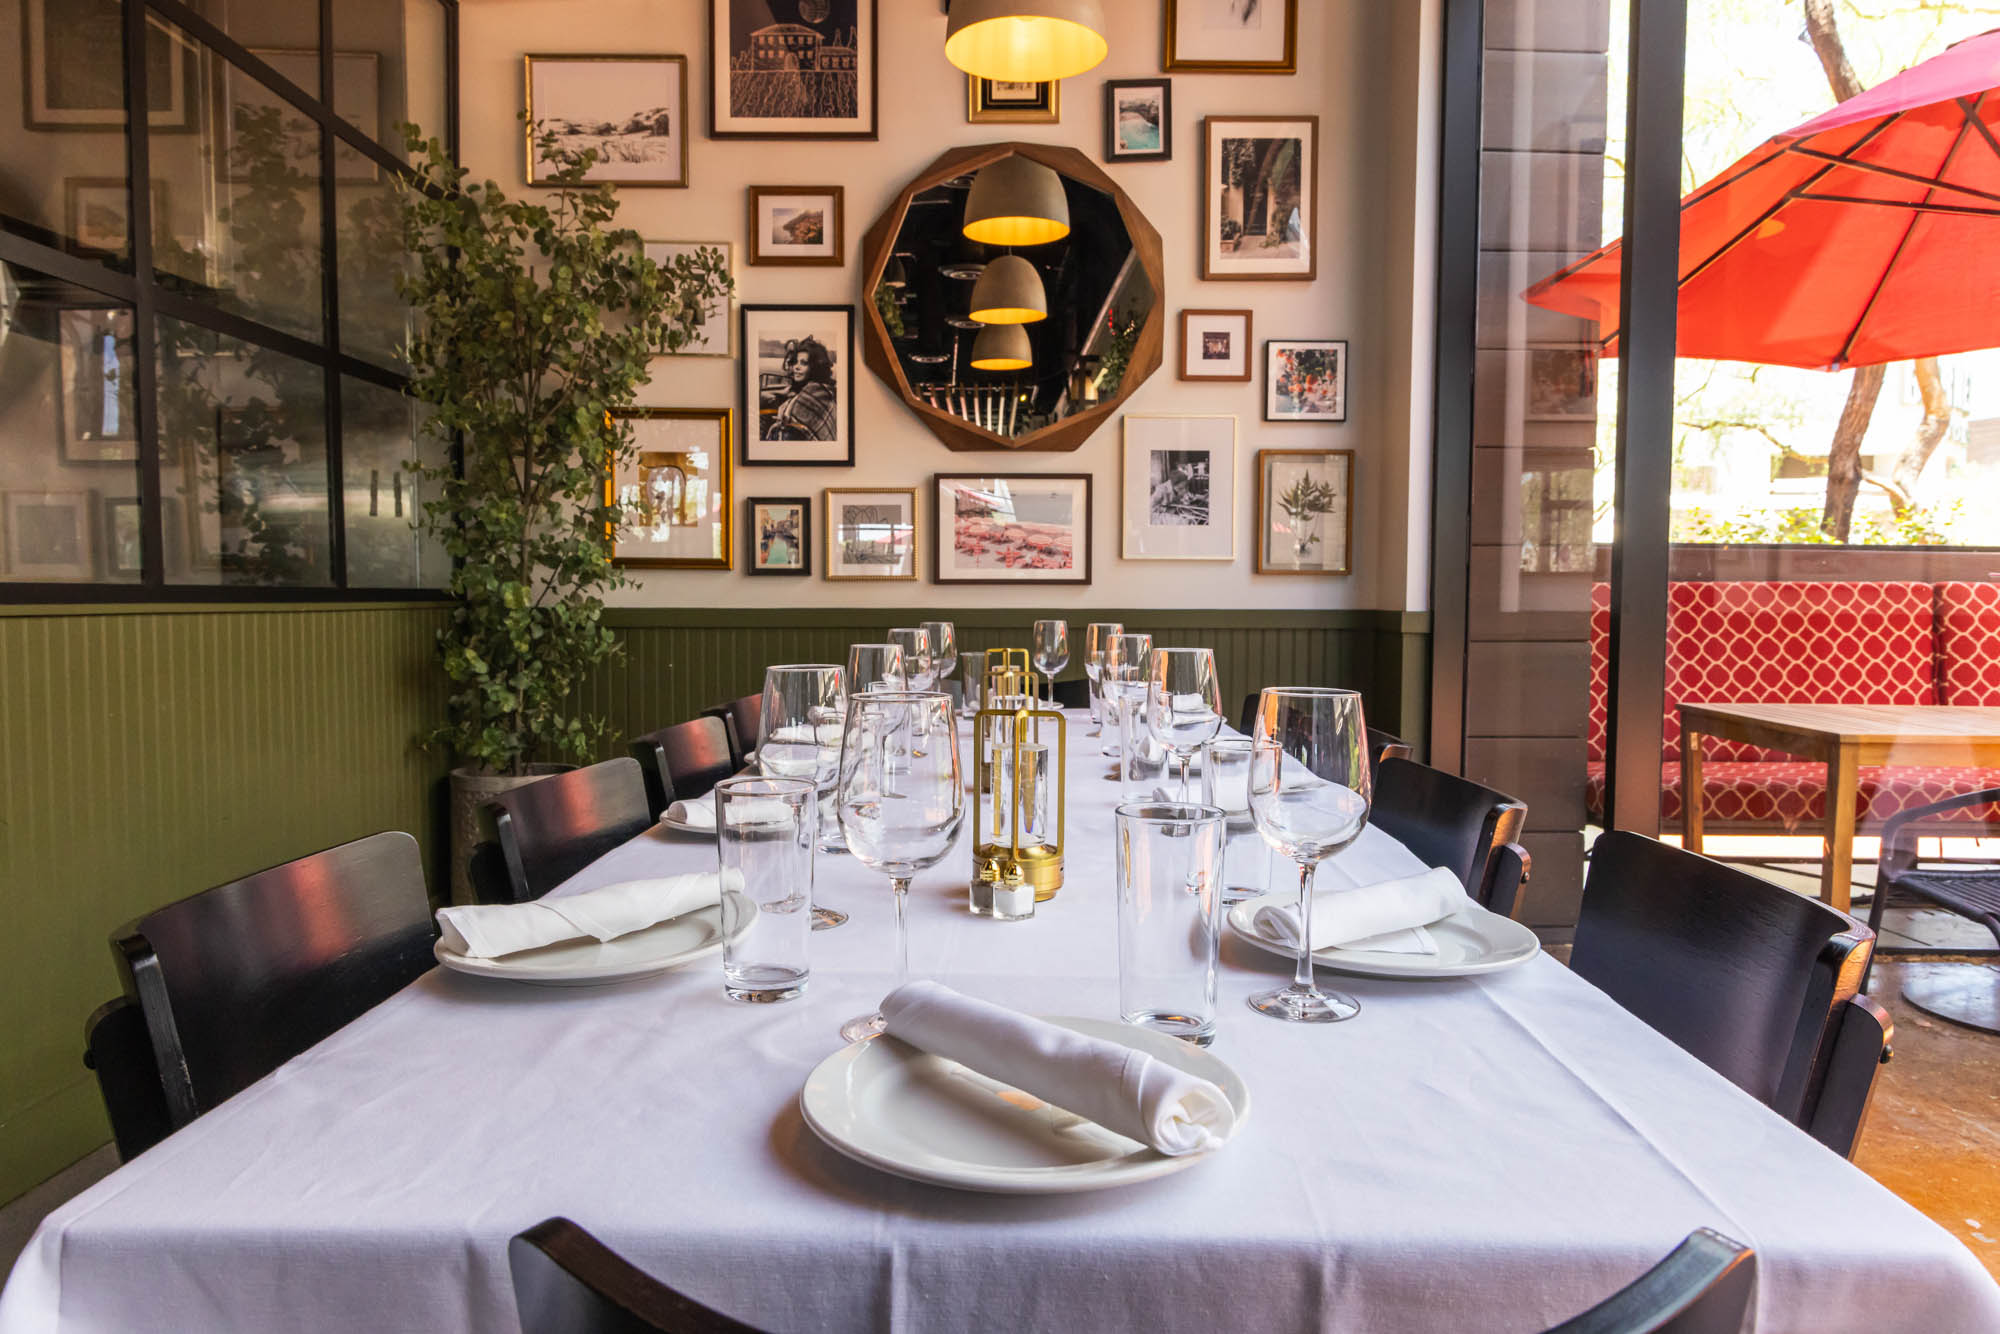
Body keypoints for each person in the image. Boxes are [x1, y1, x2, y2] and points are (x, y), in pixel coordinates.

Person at [761, 336, 838, 441]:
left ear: (815, 367)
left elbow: (788, 435)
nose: (796, 367)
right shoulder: (820, 390)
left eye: (804, 363)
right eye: (795, 362)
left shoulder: (814, 395)